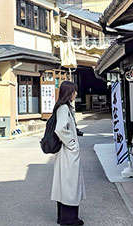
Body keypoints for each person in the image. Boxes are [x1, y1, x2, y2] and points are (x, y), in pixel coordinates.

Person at [51, 81, 85, 225]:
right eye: (74, 91)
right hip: (68, 152)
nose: (75, 94)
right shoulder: (64, 108)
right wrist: (72, 144)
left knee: (65, 185)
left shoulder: (62, 107)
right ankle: (69, 219)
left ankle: (63, 217)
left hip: (65, 152)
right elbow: (60, 129)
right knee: (70, 185)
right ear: (68, 92)